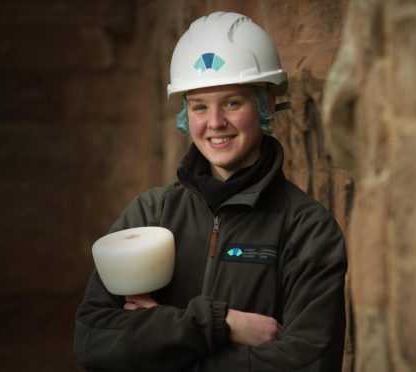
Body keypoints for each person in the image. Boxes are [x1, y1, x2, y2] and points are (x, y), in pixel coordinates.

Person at [74, 11, 347, 372]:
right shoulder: (151, 214)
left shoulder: (308, 229)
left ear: (265, 105)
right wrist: (221, 323)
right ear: (186, 114)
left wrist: (160, 334)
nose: (215, 123)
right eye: (199, 106)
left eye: (232, 103)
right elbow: (93, 340)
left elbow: (306, 363)